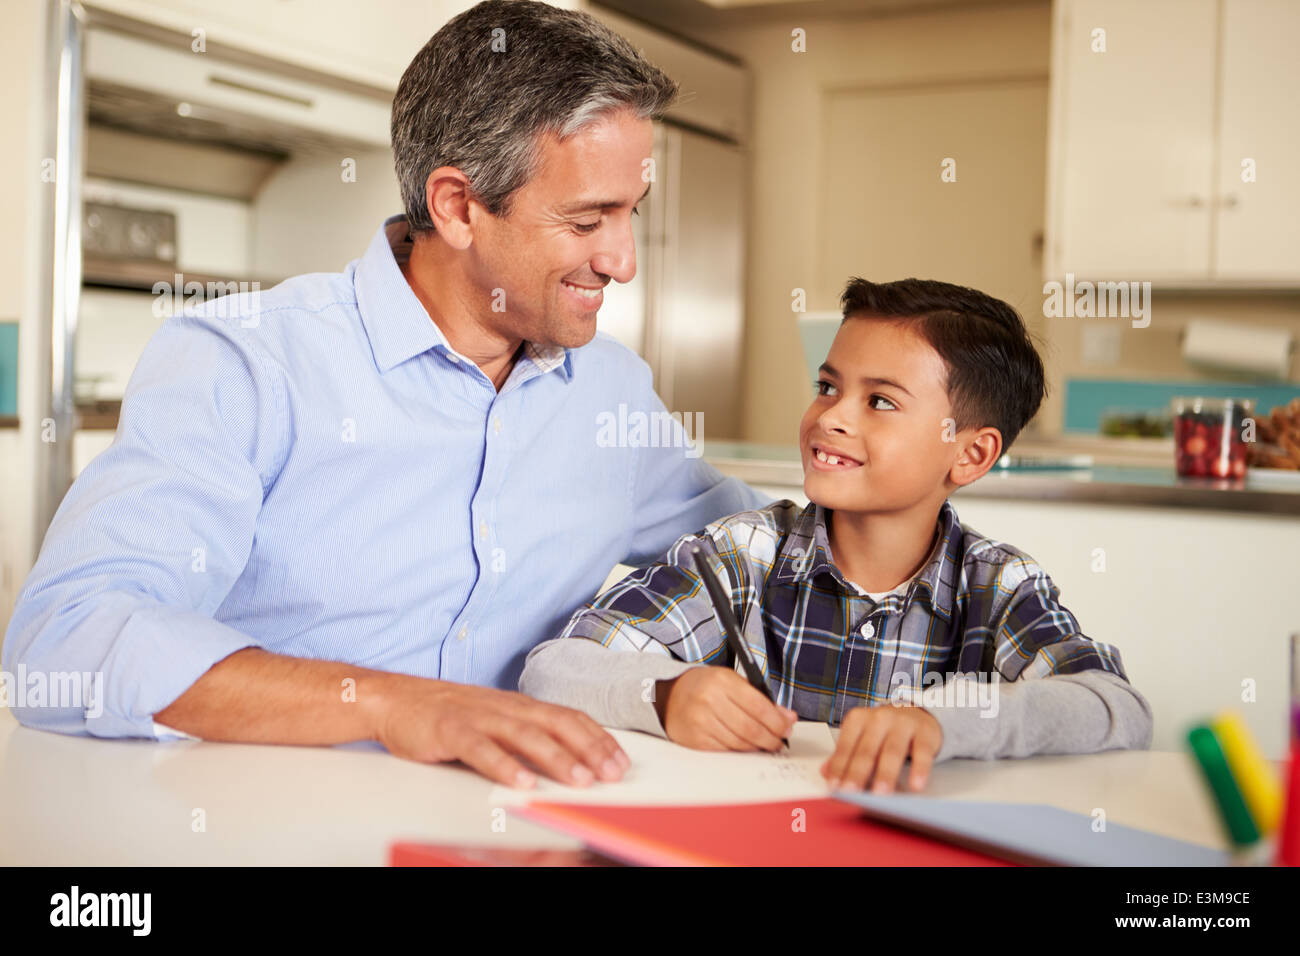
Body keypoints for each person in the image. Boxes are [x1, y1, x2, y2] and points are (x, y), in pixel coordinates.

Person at [1, 0, 767, 790]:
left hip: (523, 829)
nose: (623, 261)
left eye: (630, 214)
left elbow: (772, 557)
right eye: (587, 220)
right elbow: (63, 640)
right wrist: (391, 704)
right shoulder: (247, 364)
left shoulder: (611, 391)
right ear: (457, 206)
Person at [520, 277, 1153, 793]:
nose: (832, 417)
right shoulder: (744, 554)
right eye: (828, 387)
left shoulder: (997, 584)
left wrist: (952, 722)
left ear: (969, 455)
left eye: (880, 402)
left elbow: (1116, 708)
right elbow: (553, 670)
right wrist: (662, 693)